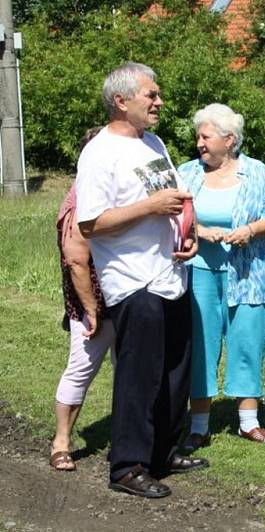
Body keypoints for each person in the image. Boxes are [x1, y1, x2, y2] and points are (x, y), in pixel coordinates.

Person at [76, 62, 207, 498]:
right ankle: (127, 465)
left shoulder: (153, 142)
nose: (159, 102)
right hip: (132, 280)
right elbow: (91, 223)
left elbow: (170, 200)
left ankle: (163, 452)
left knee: (175, 370)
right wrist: (150, 208)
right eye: (150, 95)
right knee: (140, 375)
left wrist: (187, 235)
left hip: (171, 271)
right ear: (121, 100)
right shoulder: (100, 152)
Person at [178, 103, 265, 450]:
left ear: (229, 139)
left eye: (205, 136)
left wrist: (251, 230)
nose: (199, 143)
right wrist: (199, 228)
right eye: (198, 136)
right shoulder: (188, 173)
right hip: (199, 273)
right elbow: (172, 215)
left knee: (247, 343)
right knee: (201, 346)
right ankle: (199, 425)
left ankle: (248, 422)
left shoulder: (258, 172)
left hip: (248, 272)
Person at [50, 126, 115, 472]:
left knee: (129, 371)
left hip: (126, 296)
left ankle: (128, 438)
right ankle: (61, 442)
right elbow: (76, 260)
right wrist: (91, 311)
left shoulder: (114, 194)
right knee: (82, 368)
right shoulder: (80, 201)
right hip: (94, 303)